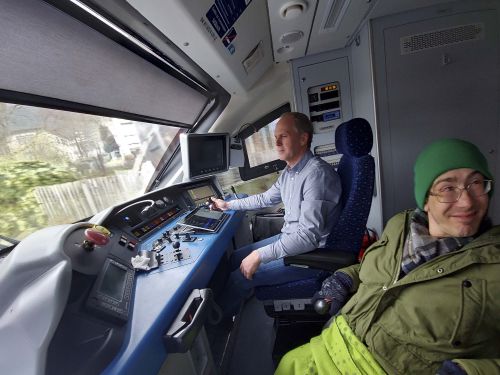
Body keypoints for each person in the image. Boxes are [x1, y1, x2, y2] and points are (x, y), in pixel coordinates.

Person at [276, 138, 500, 375]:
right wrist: (344, 278)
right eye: (448, 188)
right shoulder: (399, 226)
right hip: (334, 339)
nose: (466, 202)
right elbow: (375, 270)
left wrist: (471, 371)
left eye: (476, 184)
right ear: (425, 199)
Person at [210, 112, 342, 317]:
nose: (277, 143)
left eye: (284, 136)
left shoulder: (316, 175)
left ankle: (217, 324)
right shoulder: (290, 171)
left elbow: (307, 238)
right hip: (292, 240)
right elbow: (265, 199)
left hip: (311, 255)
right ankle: (231, 304)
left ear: (303, 138)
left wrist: (259, 255)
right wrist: (228, 205)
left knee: (239, 277)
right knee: (236, 257)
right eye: (275, 137)